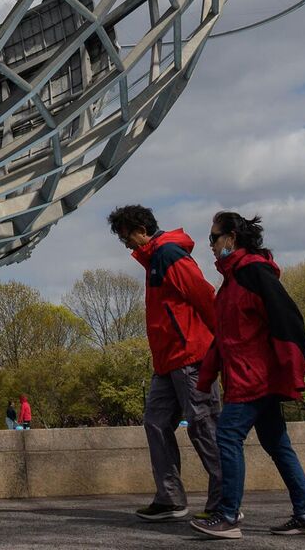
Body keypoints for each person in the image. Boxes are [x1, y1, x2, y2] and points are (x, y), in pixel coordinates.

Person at [191, 212, 305, 539]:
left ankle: (227, 516)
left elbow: (288, 321)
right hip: (247, 376)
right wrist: (206, 376)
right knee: (277, 444)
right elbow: (225, 337)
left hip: (254, 379)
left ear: (231, 238)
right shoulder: (232, 281)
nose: (210, 245)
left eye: (213, 238)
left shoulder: (253, 274)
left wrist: (291, 370)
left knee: (227, 436)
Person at [108, 203, 223, 523]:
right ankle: (170, 498)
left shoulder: (169, 256)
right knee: (156, 423)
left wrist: (223, 345)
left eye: (126, 236)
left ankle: (225, 500)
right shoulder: (153, 260)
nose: (126, 244)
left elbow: (204, 296)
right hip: (166, 361)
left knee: (204, 426)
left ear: (142, 231)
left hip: (191, 357)